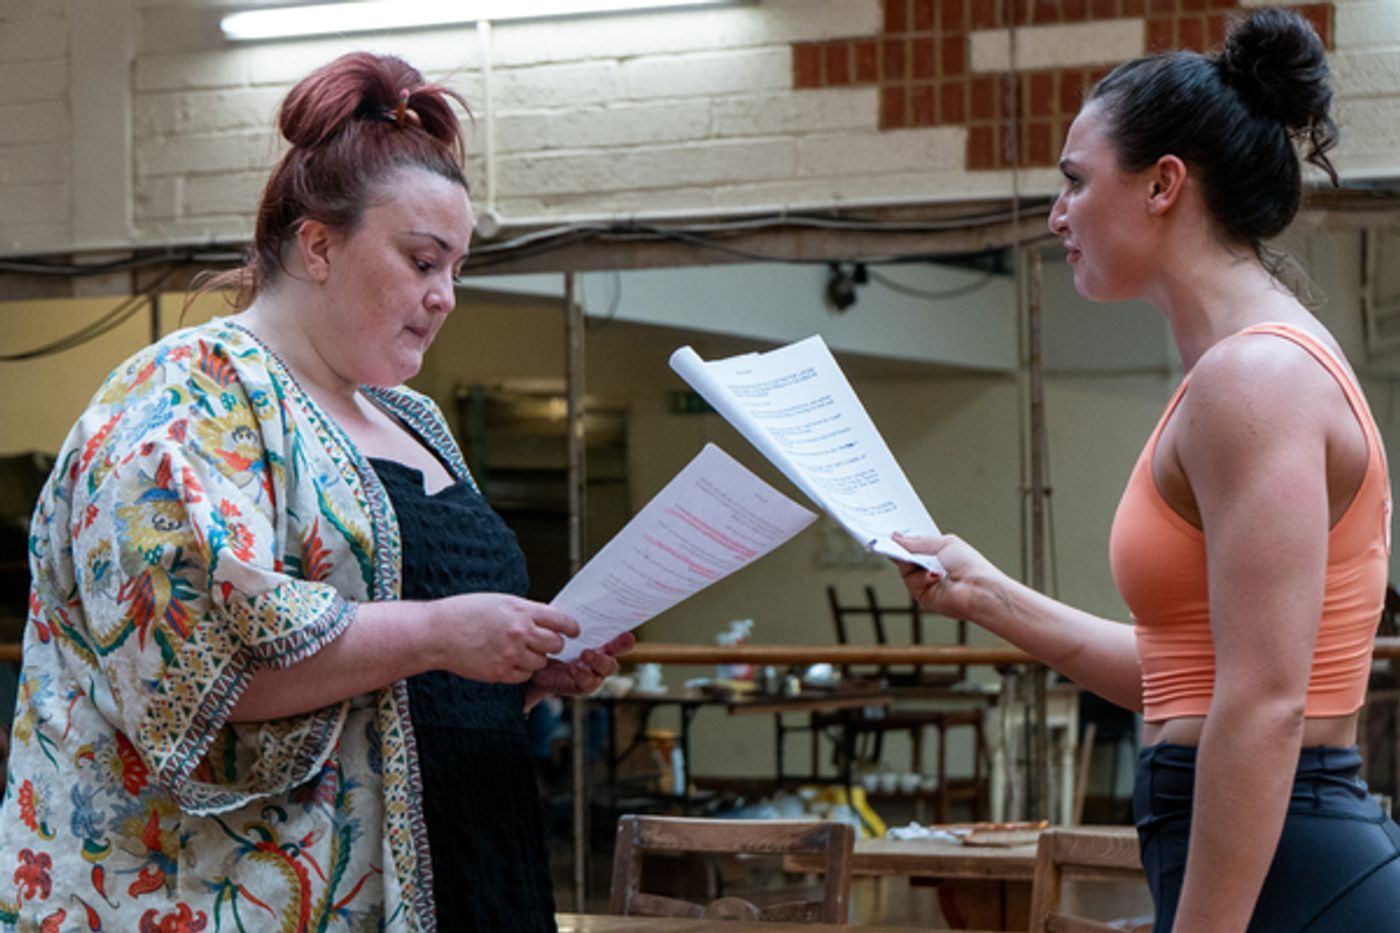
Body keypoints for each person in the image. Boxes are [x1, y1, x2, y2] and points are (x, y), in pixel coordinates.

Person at [0, 51, 631, 931]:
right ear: (319, 244)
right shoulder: (189, 397)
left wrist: (515, 669)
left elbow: (390, 678)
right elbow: (201, 667)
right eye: (421, 261)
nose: (444, 296)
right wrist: (443, 632)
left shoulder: (412, 419)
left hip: (477, 864)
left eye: (456, 268)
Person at [895, 8, 1400, 932]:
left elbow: (1262, 705)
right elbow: (1186, 679)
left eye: (1075, 183)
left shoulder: (1258, 376)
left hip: (1292, 863)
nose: (1056, 216)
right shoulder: (1232, 373)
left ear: (1164, 184)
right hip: (1263, 854)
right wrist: (988, 594)